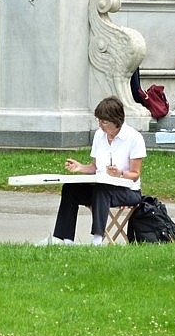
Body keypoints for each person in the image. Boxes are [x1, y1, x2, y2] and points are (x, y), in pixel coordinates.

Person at [43, 96, 146, 246]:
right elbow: (94, 167)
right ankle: (64, 239)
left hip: (128, 191)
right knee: (70, 189)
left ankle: (97, 239)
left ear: (116, 121)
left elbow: (135, 175)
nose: (101, 126)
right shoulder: (99, 135)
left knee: (101, 190)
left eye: (104, 122)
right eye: (99, 121)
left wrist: (120, 173)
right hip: (101, 187)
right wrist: (80, 167)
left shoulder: (134, 138)